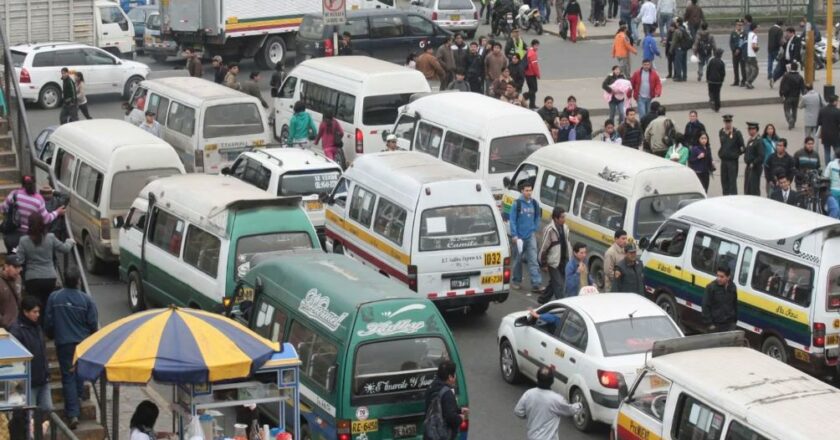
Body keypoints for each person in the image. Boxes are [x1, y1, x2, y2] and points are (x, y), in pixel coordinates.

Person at [44, 267, 98, 430]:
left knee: (68, 376)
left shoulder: (54, 297)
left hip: (64, 343)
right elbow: (93, 323)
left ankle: (73, 413)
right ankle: (78, 397)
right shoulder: (86, 300)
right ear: (78, 281)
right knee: (79, 373)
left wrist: (51, 334)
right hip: (81, 343)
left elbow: (48, 321)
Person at [16, 213, 74, 310]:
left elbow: (19, 260)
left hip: (32, 278)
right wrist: (69, 241)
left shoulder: (23, 241)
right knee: (48, 305)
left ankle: (36, 323)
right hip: (49, 277)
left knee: (34, 306)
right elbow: (65, 249)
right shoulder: (50, 237)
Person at [514, 366, 582, 440]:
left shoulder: (528, 394)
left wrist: (531, 415)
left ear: (537, 378)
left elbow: (518, 411)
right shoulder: (556, 399)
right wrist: (580, 405)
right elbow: (570, 410)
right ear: (552, 381)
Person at [9, 296, 50, 417]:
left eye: (38, 312)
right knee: (29, 416)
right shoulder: (17, 330)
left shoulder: (37, 327)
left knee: (47, 410)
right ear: (25, 312)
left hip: (43, 378)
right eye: (34, 312)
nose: (37, 315)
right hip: (29, 382)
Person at [1, 175, 64, 253]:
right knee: (25, 259)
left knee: (14, 255)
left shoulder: (14, 194)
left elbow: (3, 208)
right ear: (34, 184)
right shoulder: (38, 199)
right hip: (29, 239)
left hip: (11, 237)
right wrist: (57, 212)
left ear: (22, 183)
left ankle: (14, 257)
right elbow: (46, 219)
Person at [509, 182, 543, 292]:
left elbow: (537, 217)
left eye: (530, 190)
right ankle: (516, 281)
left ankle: (536, 283)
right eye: (526, 190)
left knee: (533, 260)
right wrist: (514, 235)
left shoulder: (534, 204)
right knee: (517, 261)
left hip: (530, 236)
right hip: (519, 238)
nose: (529, 192)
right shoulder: (517, 204)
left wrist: (534, 228)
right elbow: (512, 220)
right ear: (522, 191)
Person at [424, 361, 468, 440]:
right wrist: (460, 418)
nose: (455, 378)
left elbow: (439, 408)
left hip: (430, 434)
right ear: (450, 377)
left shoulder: (431, 387)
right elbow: (450, 417)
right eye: (454, 375)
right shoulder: (447, 393)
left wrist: (459, 410)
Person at [538, 207, 571, 302]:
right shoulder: (549, 230)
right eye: (562, 217)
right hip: (553, 262)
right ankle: (561, 305)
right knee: (559, 285)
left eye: (564, 216)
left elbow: (567, 243)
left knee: (554, 283)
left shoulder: (565, 228)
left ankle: (542, 299)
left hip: (563, 260)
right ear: (556, 218)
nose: (564, 219)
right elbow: (543, 248)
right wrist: (543, 264)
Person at [702, 265, 738, 332]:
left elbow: (734, 304)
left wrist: (734, 322)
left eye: (722, 276)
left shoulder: (733, 287)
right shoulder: (711, 287)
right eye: (717, 275)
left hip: (729, 325)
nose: (718, 278)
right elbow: (705, 307)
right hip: (715, 326)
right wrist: (710, 324)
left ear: (728, 277)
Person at [718, 114, 745, 195]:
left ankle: (733, 200)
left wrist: (735, 154)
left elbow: (742, 147)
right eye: (726, 122)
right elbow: (722, 144)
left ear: (731, 122)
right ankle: (725, 198)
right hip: (724, 161)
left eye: (729, 122)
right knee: (724, 181)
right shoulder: (721, 132)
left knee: (732, 182)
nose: (728, 124)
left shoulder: (737, 133)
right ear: (724, 122)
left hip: (732, 162)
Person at [779, 62, 805, 129]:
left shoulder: (786, 76)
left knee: (786, 109)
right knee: (794, 110)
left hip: (788, 96)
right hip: (796, 96)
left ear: (791, 68)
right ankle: (793, 122)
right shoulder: (800, 77)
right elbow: (803, 88)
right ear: (797, 68)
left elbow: (782, 85)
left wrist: (781, 94)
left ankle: (790, 119)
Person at [0, 255, 22, 330]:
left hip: (18, 325)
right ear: (6, 267)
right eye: (15, 267)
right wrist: (3, 321)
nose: (18, 270)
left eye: (19, 267)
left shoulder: (18, 279)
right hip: (4, 327)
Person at [743, 121, 764, 196]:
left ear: (756, 130)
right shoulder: (751, 140)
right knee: (747, 187)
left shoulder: (758, 141)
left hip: (755, 167)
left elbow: (761, 156)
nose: (750, 131)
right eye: (749, 129)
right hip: (749, 166)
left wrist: (754, 163)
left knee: (754, 188)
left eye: (752, 129)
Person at [818, 95, 840, 163]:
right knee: (837, 150)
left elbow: (819, 122)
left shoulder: (822, 110)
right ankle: (834, 163)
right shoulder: (837, 111)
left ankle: (827, 165)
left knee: (826, 151)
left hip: (825, 134)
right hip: (835, 134)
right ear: (835, 102)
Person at [706, 48, 726, 112]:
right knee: (717, 94)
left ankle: (712, 101)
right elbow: (723, 73)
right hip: (718, 81)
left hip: (711, 80)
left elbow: (708, 70)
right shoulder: (721, 62)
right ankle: (717, 106)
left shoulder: (711, 61)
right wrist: (722, 80)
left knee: (711, 92)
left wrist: (707, 78)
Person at [729, 19, 747, 87]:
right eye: (738, 25)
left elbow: (743, 42)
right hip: (735, 53)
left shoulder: (744, 33)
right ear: (736, 25)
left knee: (743, 67)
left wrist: (739, 49)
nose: (739, 26)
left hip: (742, 52)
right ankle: (736, 81)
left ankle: (744, 81)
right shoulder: (733, 33)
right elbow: (731, 43)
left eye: (741, 25)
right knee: (735, 67)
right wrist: (734, 50)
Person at [524, 40, 541, 109]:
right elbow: (535, 66)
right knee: (534, 89)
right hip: (531, 74)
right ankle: (523, 97)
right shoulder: (533, 53)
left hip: (527, 73)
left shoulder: (529, 51)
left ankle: (532, 104)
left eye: (537, 45)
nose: (537, 47)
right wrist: (538, 74)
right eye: (536, 45)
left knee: (531, 89)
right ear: (532, 45)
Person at [767, 20, 784, 86]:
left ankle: (769, 74)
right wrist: (781, 46)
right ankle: (775, 74)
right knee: (779, 62)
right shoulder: (779, 30)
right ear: (781, 25)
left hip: (769, 48)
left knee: (770, 62)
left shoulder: (771, 29)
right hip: (776, 48)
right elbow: (780, 40)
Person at [743, 21, 759, 89]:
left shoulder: (749, 34)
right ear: (755, 28)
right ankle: (749, 82)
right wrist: (757, 48)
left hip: (747, 54)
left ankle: (747, 82)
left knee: (748, 70)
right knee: (756, 70)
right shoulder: (754, 35)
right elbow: (753, 46)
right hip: (752, 55)